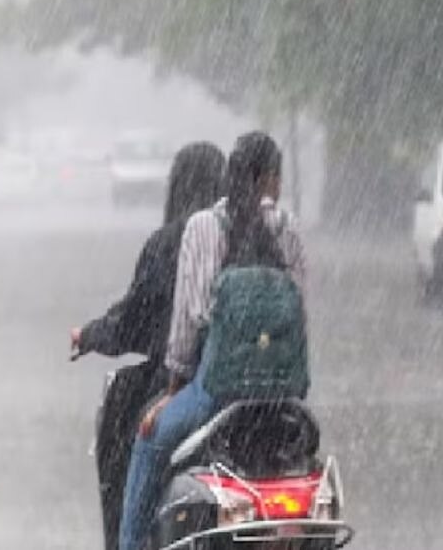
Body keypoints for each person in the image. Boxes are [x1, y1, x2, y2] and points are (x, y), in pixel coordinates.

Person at [117, 131, 307, 550]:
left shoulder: (204, 227)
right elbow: (299, 310)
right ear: (273, 179)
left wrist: (172, 389)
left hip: (215, 389)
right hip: (281, 398)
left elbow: (190, 320)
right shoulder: (288, 228)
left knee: (148, 443)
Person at [71, 142, 226, 550]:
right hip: (248, 388)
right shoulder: (247, 239)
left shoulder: (171, 241)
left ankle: (128, 539)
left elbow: (134, 322)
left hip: (183, 383)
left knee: (127, 427)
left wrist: (91, 334)